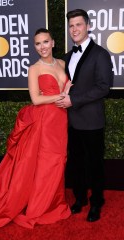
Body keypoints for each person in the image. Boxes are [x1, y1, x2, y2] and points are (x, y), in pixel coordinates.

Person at [0, 28, 71, 233]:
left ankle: (53, 203)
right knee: (45, 164)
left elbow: (65, 89)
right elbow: (36, 99)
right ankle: (39, 207)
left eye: (45, 42)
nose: (42, 47)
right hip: (45, 121)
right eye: (38, 44)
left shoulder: (63, 64)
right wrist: (58, 97)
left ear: (53, 42)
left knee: (58, 161)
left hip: (61, 120)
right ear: (35, 46)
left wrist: (67, 92)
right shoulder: (34, 69)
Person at [56, 9, 113, 222]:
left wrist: (74, 100)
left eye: (78, 24)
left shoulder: (100, 54)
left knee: (95, 164)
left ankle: (97, 201)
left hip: (92, 121)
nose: (74, 29)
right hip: (71, 122)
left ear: (88, 26)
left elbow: (103, 87)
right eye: (71, 26)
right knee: (77, 164)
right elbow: (65, 85)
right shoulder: (67, 57)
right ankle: (80, 199)